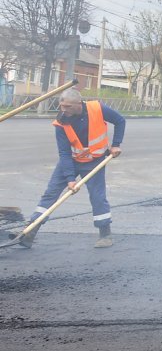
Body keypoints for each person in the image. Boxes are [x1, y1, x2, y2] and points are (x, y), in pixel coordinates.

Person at [23, 87, 125, 249]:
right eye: (61, 106)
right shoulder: (60, 122)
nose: (64, 110)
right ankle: (31, 230)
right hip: (70, 160)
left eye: (68, 107)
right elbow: (64, 153)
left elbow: (120, 120)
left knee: (97, 196)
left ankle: (105, 234)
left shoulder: (97, 108)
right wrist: (70, 179)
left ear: (79, 104)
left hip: (94, 161)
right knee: (51, 193)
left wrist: (116, 144)